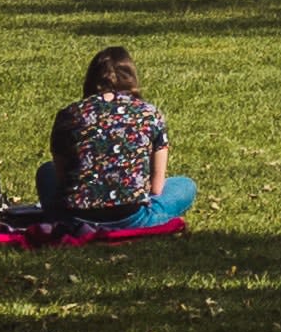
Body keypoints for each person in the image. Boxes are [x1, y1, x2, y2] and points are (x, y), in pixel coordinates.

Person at [37, 45, 197, 230]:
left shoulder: (69, 114)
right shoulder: (150, 114)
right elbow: (156, 188)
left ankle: (64, 220)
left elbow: (62, 179)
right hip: (133, 218)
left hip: (75, 218)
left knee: (46, 171)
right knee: (186, 185)